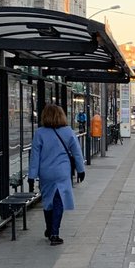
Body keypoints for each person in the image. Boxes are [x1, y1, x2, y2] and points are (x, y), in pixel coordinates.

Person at [27, 104, 85, 245]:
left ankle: (49, 228)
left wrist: (31, 176)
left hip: (45, 173)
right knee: (59, 201)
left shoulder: (40, 133)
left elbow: (35, 156)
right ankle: (54, 233)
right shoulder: (68, 132)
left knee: (48, 201)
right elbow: (77, 153)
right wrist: (81, 170)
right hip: (62, 173)